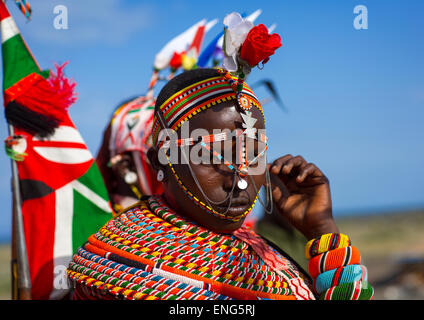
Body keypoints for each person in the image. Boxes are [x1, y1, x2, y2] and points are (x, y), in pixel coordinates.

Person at [67, 67, 374, 300]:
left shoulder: (258, 250)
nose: (240, 180)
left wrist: (321, 230)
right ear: (162, 161)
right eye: (212, 157)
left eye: (252, 155)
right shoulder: (124, 271)